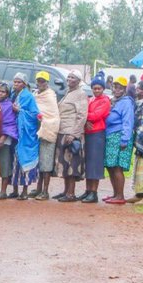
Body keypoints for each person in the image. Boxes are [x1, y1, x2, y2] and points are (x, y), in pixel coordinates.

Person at [54, 72, 89, 201]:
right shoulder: (68, 92)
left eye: (73, 77)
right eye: (68, 77)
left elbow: (82, 116)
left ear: (79, 81)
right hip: (62, 131)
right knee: (64, 163)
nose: (69, 79)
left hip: (71, 133)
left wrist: (74, 134)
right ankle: (65, 190)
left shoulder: (80, 94)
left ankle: (71, 193)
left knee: (72, 163)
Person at [103, 76, 135, 204]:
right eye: (115, 87)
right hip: (110, 136)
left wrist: (125, 140)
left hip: (120, 136)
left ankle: (120, 196)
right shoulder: (114, 101)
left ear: (124, 89)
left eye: (120, 88)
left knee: (117, 167)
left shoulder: (126, 102)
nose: (117, 89)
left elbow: (128, 122)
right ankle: (115, 193)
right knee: (110, 166)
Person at [10, 74, 40, 199]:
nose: (16, 84)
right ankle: (15, 189)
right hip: (15, 132)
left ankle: (25, 191)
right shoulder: (13, 95)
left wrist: (20, 111)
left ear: (24, 83)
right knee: (15, 162)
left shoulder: (28, 96)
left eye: (19, 82)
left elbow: (35, 114)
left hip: (26, 134)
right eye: (15, 81)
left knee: (24, 161)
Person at [81, 77, 109, 203]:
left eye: (99, 88)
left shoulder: (105, 101)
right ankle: (88, 190)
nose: (96, 90)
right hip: (88, 133)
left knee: (95, 163)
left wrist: (85, 117)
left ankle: (94, 192)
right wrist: (86, 119)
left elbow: (97, 115)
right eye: (94, 88)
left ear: (103, 89)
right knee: (88, 162)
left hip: (97, 133)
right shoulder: (90, 99)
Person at [32, 72, 60, 198]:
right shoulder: (35, 95)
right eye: (39, 81)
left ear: (47, 83)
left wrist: (43, 120)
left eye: (43, 81)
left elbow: (52, 114)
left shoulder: (50, 96)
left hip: (48, 130)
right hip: (37, 131)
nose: (40, 83)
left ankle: (45, 191)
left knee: (46, 162)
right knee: (40, 163)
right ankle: (38, 189)